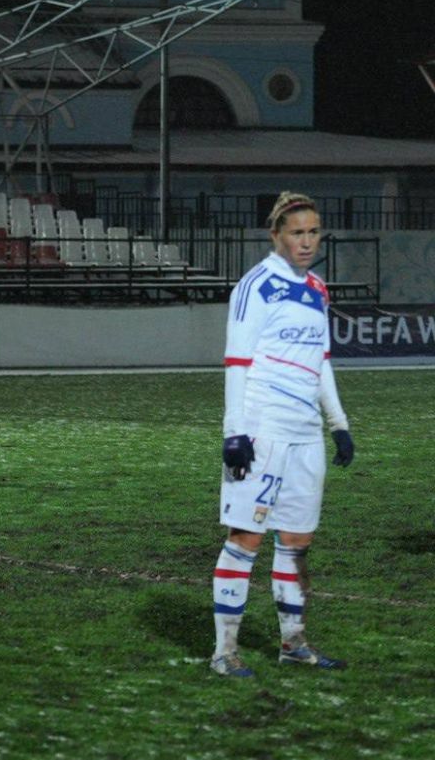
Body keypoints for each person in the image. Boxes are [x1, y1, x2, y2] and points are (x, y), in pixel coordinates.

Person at [210, 191, 355, 678]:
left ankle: (293, 644)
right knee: (246, 538)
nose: (307, 241)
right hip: (263, 429)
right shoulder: (255, 285)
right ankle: (224, 653)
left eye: (314, 232)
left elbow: (323, 361)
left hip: (305, 435)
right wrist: (236, 432)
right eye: (297, 232)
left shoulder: (317, 287)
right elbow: (237, 360)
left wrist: (338, 425)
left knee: (296, 540)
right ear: (276, 235)